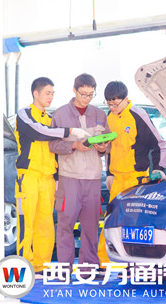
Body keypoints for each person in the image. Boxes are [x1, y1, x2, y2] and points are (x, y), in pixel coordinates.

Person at [14, 77, 89, 275]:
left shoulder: (50, 119)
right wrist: (69, 131)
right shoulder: (25, 114)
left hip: (47, 179)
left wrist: (56, 179)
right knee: (26, 223)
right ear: (35, 93)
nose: (51, 97)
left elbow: (54, 149)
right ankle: (24, 265)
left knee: (46, 225)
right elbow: (38, 132)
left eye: (53, 94)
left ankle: (41, 266)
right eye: (47, 93)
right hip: (28, 177)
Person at [97, 81, 166, 263]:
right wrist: (110, 173)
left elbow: (159, 144)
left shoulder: (138, 115)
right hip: (117, 180)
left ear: (126, 99)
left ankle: (135, 265)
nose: (112, 108)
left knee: (135, 225)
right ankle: (104, 264)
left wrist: (159, 169)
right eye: (109, 104)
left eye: (115, 103)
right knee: (111, 223)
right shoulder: (110, 117)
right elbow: (111, 147)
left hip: (137, 181)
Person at [49, 73, 110, 268]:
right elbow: (52, 145)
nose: (87, 98)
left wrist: (103, 148)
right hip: (69, 178)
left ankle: (89, 268)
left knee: (91, 227)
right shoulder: (60, 114)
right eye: (83, 94)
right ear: (74, 90)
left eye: (91, 94)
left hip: (93, 178)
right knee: (65, 225)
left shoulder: (100, 115)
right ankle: (64, 269)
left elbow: (108, 143)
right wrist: (74, 145)